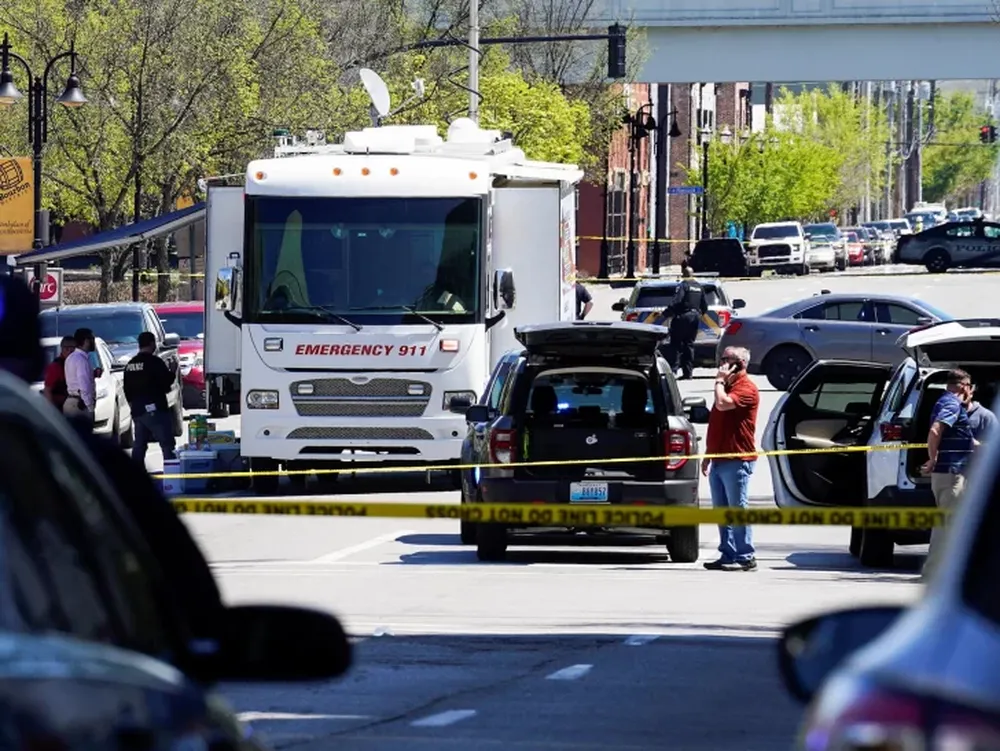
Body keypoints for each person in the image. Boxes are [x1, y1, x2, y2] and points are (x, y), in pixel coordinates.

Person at [0, 274, 225, 677]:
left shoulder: (82, 460)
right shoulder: (80, 464)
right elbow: (189, 593)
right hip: (64, 696)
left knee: (140, 449)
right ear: (35, 360)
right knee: (154, 449)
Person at [702, 346, 760, 571]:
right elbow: (717, 424)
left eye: (727, 360)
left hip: (737, 458)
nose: (722, 363)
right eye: (722, 358)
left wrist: (718, 381)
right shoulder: (726, 386)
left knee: (737, 508)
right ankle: (728, 553)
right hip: (719, 458)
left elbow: (723, 404)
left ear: (740, 364)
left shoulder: (747, 389)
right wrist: (709, 454)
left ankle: (746, 555)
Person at [921, 369, 976, 577]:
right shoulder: (952, 404)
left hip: (951, 471)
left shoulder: (944, 401)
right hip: (952, 473)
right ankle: (934, 572)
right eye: (970, 387)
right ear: (964, 386)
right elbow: (936, 430)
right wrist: (933, 458)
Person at [125, 331, 178, 467]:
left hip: (138, 410)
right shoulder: (155, 362)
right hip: (155, 409)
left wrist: (133, 406)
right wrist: (173, 370)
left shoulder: (130, 364)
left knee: (139, 445)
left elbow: (127, 390)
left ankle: (136, 477)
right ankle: (171, 476)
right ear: (152, 343)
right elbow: (165, 383)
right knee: (167, 444)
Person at [664, 266, 707, 380]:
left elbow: (677, 301)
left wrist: (666, 313)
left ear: (683, 274)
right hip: (695, 318)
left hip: (682, 317)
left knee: (676, 344)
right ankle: (688, 373)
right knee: (689, 345)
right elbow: (704, 306)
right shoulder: (699, 287)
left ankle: (673, 371)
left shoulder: (683, 285)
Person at [64, 326, 97, 426]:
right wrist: (90, 407)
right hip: (80, 405)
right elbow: (84, 384)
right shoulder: (81, 360)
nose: (93, 342)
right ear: (86, 341)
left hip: (71, 402)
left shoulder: (71, 357)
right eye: (92, 339)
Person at [42, 335, 76, 410]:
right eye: (67, 348)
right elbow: (47, 390)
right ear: (62, 349)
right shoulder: (55, 367)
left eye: (72, 349)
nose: (69, 351)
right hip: (60, 407)